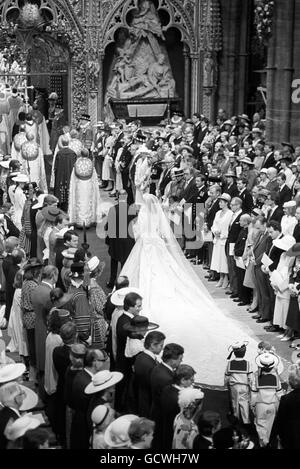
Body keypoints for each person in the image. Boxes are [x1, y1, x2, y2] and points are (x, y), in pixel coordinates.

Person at [121, 194, 259, 387]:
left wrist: (145, 237)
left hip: (147, 246)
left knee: (148, 274)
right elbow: (162, 232)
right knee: (164, 274)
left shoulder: (143, 214)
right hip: (156, 246)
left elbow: (139, 233)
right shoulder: (155, 214)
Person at [251, 352, 283, 447]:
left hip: (260, 405)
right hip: (272, 405)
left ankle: (263, 442)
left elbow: (253, 394)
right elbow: (280, 394)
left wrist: (252, 405)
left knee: (260, 424)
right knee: (270, 423)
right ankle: (268, 440)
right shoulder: (276, 378)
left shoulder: (256, 378)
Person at [133, 330, 166, 418]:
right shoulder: (150, 364)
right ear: (152, 345)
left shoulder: (141, 356)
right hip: (148, 402)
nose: (162, 348)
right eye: (161, 345)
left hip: (142, 397)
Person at [68, 148, 102, 228]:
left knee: (79, 202)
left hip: (79, 187)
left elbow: (73, 179)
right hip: (89, 186)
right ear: (87, 154)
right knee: (88, 202)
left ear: (81, 154)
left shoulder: (77, 163)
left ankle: (79, 221)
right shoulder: (90, 163)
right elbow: (94, 179)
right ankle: (88, 221)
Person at [271, 361, 300, 449]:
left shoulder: (286, 399)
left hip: (291, 435)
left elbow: (280, 420)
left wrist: (274, 434)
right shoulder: (286, 398)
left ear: (291, 382)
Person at [224, 341, 252, 424]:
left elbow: (227, 376)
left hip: (234, 387)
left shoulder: (230, 363)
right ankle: (246, 420)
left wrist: (225, 385)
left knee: (234, 402)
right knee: (244, 403)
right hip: (244, 386)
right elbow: (250, 377)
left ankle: (235, 418)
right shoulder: (248, 364)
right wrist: (251, 387)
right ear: (245, 352)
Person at [210, 193, 233, 289]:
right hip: (217, 238)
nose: (219, 203)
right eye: (219, 202)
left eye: (221, 202)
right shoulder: (218, 213)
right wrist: (215, 231)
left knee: (224, 260)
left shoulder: (230, 214)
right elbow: (214, 224)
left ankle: (226, 278)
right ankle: (221, 277)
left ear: (227, 203)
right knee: (218, 259)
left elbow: (229, 227)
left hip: (224, 239)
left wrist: (223, 234)